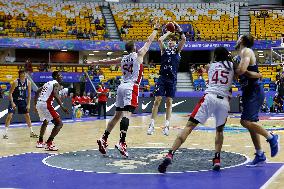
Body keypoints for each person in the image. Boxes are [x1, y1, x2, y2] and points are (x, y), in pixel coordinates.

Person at [158, 47, 235, 173]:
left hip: (209, 97)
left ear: (215, 56)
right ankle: (217, 159)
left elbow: (202, 70)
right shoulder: (232, 66)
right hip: (223, 101)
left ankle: (170, 154)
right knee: (219, 131)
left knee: (188, 127)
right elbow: (240, 72)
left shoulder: (211, 66)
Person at [97, 21, 160, 158]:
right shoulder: (138, 55)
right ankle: (122, 142)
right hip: (131, 87)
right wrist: (155, 29)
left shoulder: (123, 59)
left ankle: (104, 138)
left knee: (117, 115)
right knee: (126, 115)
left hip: (121, 86)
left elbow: (109, 62)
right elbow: (149, 41)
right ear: (134, 47)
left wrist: (94, 62)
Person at [235, 34, 279, 166]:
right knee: (251, 124)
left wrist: (234, 68)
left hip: (254, 90)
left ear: (242, 40)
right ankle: (260, 154)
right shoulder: (240, 53)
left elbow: (242, 70)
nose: (237, 39)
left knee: (245, 121)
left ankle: (271, 137)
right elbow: (242, 73)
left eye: (239, 37)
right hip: (249, 91)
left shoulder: (246, 51)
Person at [147, 21, 186, 136]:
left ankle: (167, 125)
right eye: (169, 40)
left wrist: (178, 28)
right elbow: (159, 40)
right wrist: (169, 32)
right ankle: (152, 125)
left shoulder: (178, 51)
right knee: (157, 100)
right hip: (162, 78)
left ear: (175, 42)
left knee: (169, 102)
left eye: (173, 40)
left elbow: (183, 39)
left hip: (172, 79)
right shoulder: (164, 50)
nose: (171, 42)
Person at [34, 71, 69, 151]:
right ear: (56, 77)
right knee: (59, 124)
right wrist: (62, 106)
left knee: (45, 121)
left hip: (40, 103)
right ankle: (49, 143)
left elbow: (37, 92)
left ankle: (40, 142)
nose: (62, 77)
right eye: (60, 75)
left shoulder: (48, 83)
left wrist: (35, 105)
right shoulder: (56, 84)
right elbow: (56, 94)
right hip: (46, 104)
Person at [3, 70, 38, 139]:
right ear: (20, 75)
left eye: (25, 74)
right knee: (10, 115)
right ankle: (5, 133)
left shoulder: (28, 82)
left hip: (22, 100)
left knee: (27, 115)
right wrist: (12, 103)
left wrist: (28, 104)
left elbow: (29, 94)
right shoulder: (15, 82)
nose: (24, 75)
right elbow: (10, 93)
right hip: (15, 100)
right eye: (23, 74)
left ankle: (31, 132)